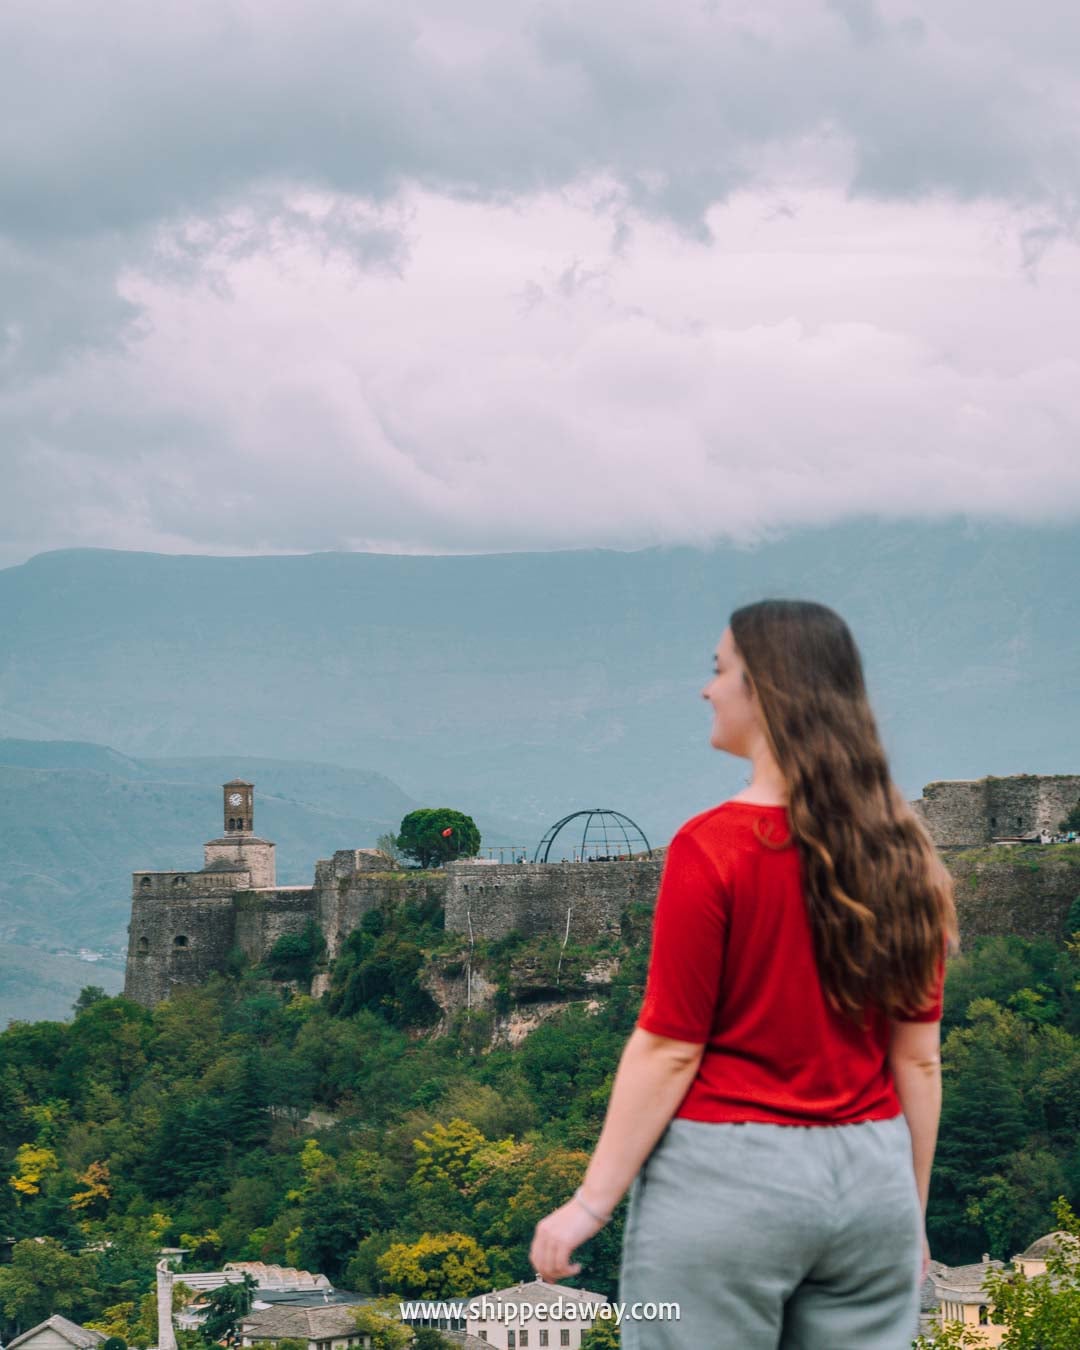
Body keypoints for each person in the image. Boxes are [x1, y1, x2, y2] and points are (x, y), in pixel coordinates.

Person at [528, 599, 957, 1349]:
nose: (707, 689)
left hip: (729, 1177)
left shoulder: (712, 847)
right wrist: (906, 1214)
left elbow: (671, 1047)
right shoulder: (904, 857)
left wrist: (591, 1203)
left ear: (763, 690)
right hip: (871, 1180)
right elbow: (916, 1061)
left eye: (720, 670)